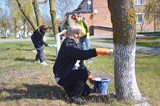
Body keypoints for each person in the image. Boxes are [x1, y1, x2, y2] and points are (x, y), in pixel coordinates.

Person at [53, 23, 113, 105]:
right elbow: (80, 54)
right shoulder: (68, 44)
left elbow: (80, 63)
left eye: (80, 33)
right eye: (76, 33)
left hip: (69, 74)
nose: (78, 35)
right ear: (70, 33)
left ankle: (69, 89)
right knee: (82, 73)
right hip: (62, 76)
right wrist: (97, 51)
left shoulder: (77, 44)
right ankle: (75, 98)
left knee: (87, 91)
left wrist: (89, 75)